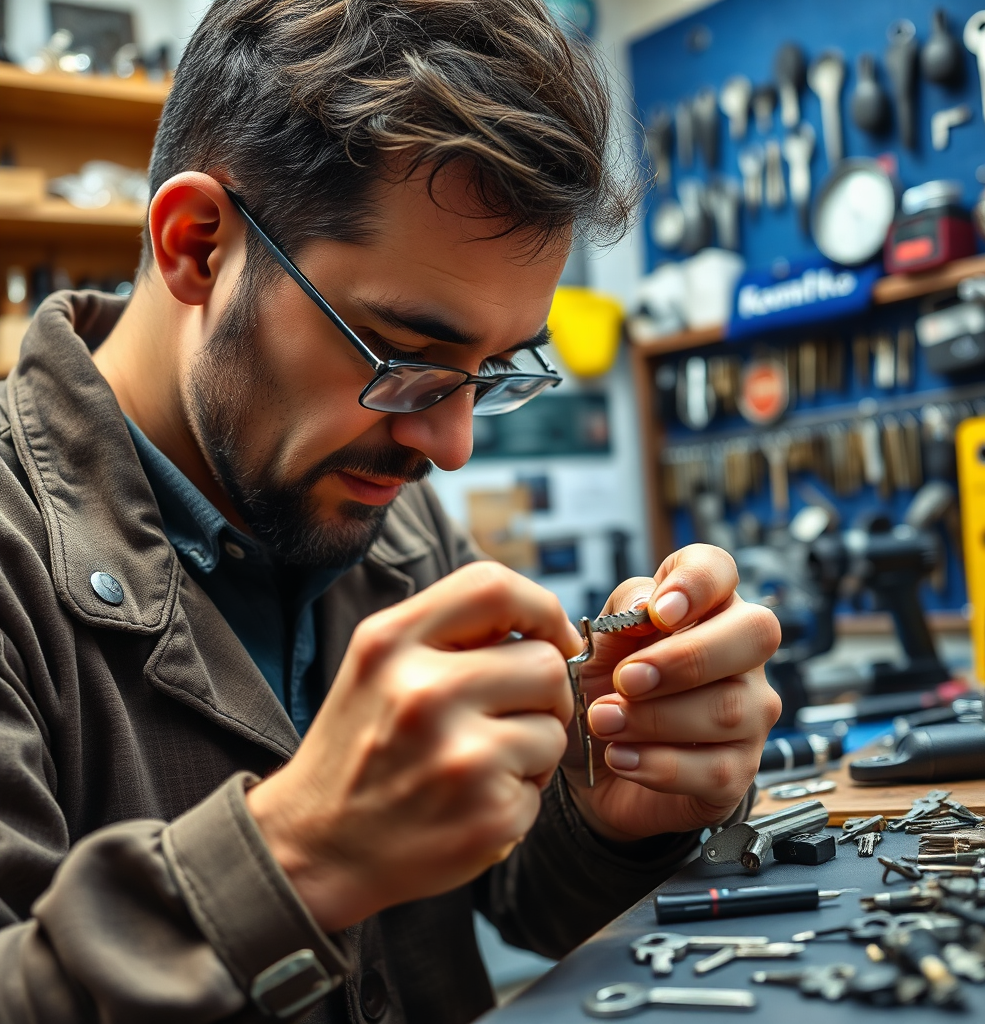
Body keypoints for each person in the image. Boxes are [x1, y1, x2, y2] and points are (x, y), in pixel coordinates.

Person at [0, 1, 781, 1021]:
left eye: (491, 370)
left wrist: (616, 811)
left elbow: (520, 894)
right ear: (197, 247)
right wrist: (293, 857)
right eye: (404, 359)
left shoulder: (381, 511)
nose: (450, 446)